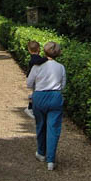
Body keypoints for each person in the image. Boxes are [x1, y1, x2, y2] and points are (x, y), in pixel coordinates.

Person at [26, 41, 66, 171]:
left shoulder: (37, 66)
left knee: (41, 125)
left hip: (39, 97)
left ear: (44, 51)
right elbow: (63, 85)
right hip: (55, 97)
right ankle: (51, 160)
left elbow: (29, 83)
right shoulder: (61, 67)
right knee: (53, 128)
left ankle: (41, 153)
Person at [24, 40, 47, 118]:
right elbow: (38, 62)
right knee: (36, 93)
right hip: (34, 78)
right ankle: (30, 107)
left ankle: (32, 107)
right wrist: (46, 58)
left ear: (29, 50)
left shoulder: (33, 57)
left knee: (36, 92)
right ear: (39, 49)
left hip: (33, 77)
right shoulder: (35, 58)